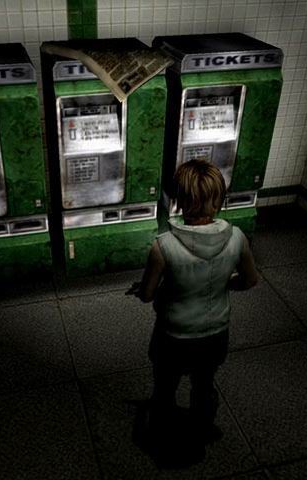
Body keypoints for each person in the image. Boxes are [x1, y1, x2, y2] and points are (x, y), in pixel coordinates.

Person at [128, 159, 259, 452]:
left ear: (180, 200)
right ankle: (201, 429)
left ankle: (164, 435)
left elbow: (147, 294)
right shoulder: (237, 238)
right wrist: (225, 284)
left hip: (173, 335)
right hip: (215, 332)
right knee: (204, 383)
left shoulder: (163, 245)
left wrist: (145, 290)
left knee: (165, 387)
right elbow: (250, 280)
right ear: (219, 199)